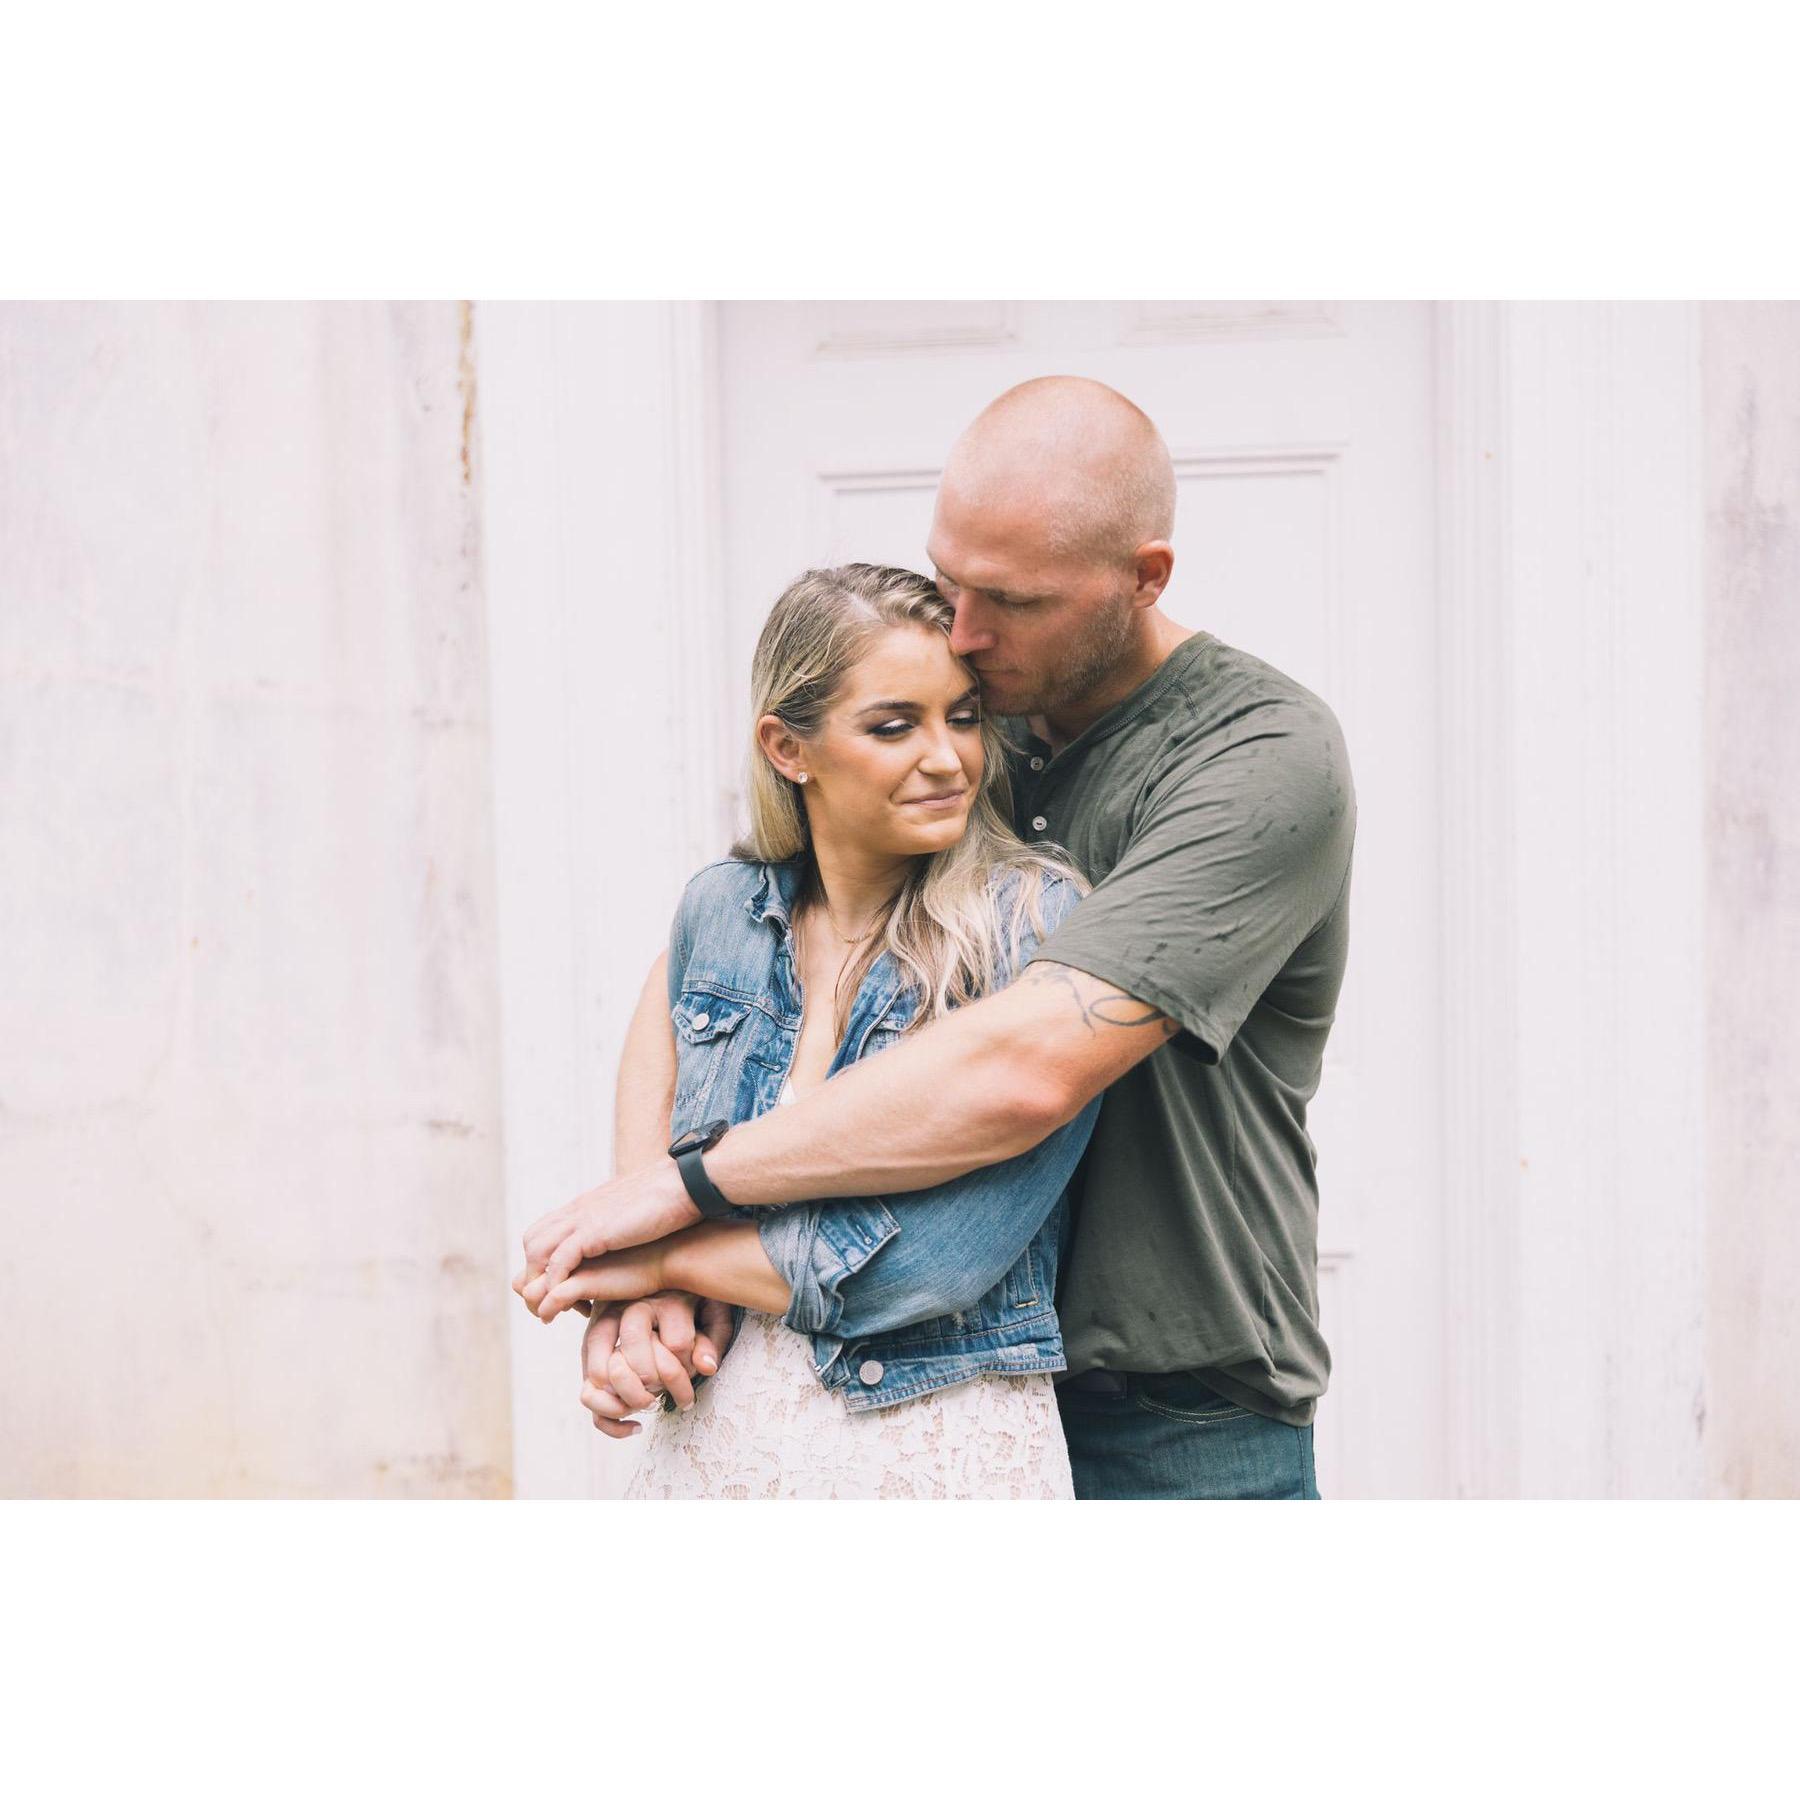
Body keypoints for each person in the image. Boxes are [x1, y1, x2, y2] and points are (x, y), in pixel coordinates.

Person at [518, 375, 1355, 1502]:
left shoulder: (1258, 758)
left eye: (1006, 601)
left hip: (1167, 1403)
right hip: (881, 1375)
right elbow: (703, 972)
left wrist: (676, 1206)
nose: (964, 636)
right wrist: (642, 1288)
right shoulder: (980, 693)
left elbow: (1026, 1069)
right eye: (950, 581)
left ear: (1144, 578)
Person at [523, 562, 1101, 1498]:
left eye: (961, 717)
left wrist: (651, 1260)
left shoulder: (1028, 924)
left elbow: (929, 1267)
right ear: (788, 748)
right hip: (717, 1447)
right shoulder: (717, 916)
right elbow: (651, 1180)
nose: (949, 757)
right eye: (893, 725)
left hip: (933, 1448)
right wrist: (639, 1319)